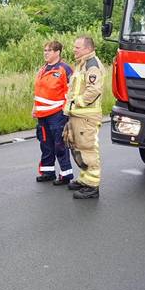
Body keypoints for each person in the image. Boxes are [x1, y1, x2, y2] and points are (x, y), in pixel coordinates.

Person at [64, 36, 105, 199]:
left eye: (77, 47)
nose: (74, 49)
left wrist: (78, 103)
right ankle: (84, 179)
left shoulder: (92, 65)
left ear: (88, 49)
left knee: (88, 149)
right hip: (78, 115)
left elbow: (93, 90)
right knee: (79, 148)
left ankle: (92, 186)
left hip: (86, 116)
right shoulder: (82, 64)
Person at [33, 40, 74, 185]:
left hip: (57, 114)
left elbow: (71, 92)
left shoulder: (65, 69)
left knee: (59, 145)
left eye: (49, 50)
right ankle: (47, 172)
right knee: (45, 144)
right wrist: (35, 108)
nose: (46, 53)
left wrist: (67, 112)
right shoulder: (42, 69)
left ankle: (66, 174)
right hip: (42, 115)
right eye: (45, 50)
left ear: (57, 52)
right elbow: (38, 91)